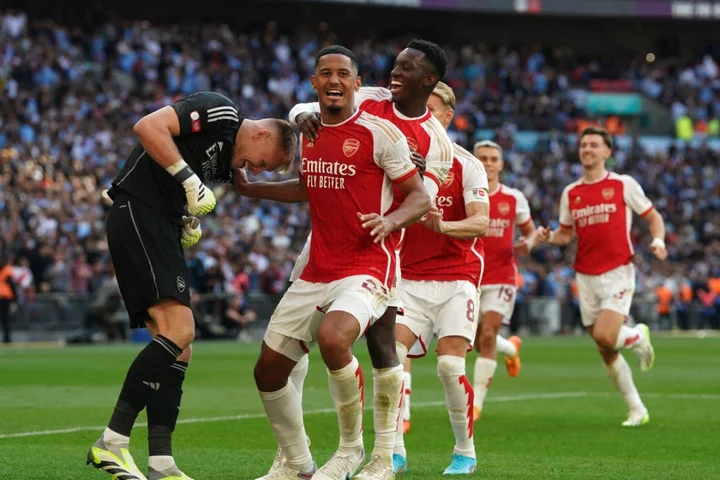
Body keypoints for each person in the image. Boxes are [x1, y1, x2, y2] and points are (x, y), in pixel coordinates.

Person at [242, 45, 431, 480]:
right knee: (268, 372)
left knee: (334, 339)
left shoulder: (381, 133)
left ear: (357, 84)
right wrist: (255, 189)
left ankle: (354, 452)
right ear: (314, 83)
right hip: (317, 267)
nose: (334, 81)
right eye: (325, 73)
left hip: (369, 264)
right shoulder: (308, 133)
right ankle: (297, 463)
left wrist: (391, 220)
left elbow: (420, 196)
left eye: (343, 74)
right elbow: (309, 187)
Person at [87, 91, 297, 480]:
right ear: (264, 136)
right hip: (138, 209)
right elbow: (147, 127)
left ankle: (161, 462)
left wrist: (187, 218)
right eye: (265, 163)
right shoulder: (222, 111)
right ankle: (111, 442)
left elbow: (186, 183)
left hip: (160, 220)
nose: (256, 170)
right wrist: (187, 180)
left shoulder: (222, 167)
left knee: (179, 348)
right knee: (181, 330)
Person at [281, 39, 453, 474]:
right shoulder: (370, 97)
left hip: (380, 248)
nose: (394, 74)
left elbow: (423, 200)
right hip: (323, 239)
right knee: (291, 340)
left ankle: (384, 455)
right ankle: (291, 451)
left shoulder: (436, 142)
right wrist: (300, 114)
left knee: (380, 345)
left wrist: (398, 196)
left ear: (429, 80)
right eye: (395, 64)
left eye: (407, 68)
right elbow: (308, 106)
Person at [535, 125, 666, 427]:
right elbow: (566, 234)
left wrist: (658, 240)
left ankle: (636, 335)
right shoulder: (571, 193)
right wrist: (548, 236)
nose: (588, 150)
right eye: (584, 145)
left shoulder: (623, 185)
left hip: (618, 271)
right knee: (604, 348)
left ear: (607, 152)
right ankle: (637, 409)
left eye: (594, 145)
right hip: (585, 275)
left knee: (607, 336)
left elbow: (653, 217)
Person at [391, 81, 489, 475]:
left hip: (456, 278)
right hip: (408, 279)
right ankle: (392, 451)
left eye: (431, 109)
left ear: (448, 116)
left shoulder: (467, 164)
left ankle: (465, 451)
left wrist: (443, 227)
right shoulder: (395, 160)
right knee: (390, 363)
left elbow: (481, 222)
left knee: (449, 368)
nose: (423, 116)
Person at [470, 139, 538, 422]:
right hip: (471, 274)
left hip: (502, 276)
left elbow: (530, 232)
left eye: (492, 159)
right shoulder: (466, 194)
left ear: (501, 164)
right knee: (472, 340)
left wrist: (529, 243)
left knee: (487, 336)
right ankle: (510, 348)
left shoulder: (513, 198)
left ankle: (475, 405)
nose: (487, 163)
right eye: (482, 158)